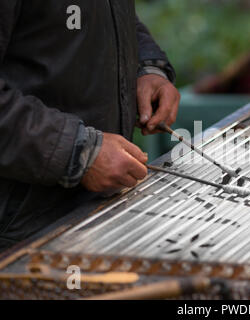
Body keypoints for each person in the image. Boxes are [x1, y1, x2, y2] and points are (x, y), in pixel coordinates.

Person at [0, 1, 180, 251]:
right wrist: (79, 151)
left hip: (100, 213)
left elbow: (110, 19)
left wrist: (147, 68)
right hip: (20, 232)